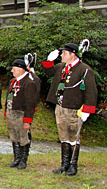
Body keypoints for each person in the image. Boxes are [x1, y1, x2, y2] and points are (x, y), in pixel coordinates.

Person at [41, 42, 97, 176]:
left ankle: (73, 165)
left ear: (72, 54)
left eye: (64, 53)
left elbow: (91, 91)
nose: (61, 55)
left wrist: (87, 110)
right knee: (63, 137)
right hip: (60, 107)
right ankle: (64, 164)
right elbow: (48, 72)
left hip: (74, 109)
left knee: (73, 137)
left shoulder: (84, 69)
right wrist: (49, 61)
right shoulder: (62, 67)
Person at [5, 58, 37, 170]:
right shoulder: (13, 82)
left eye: (14, 69)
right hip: (11, 112)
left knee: (23, 137)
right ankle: (16, 158)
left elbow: (30, 103)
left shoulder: (29, 83)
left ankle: (23, 160)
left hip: (21, 113)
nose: (12, 71)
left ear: (21, 69)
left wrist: (28, 120)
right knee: (14, 136)